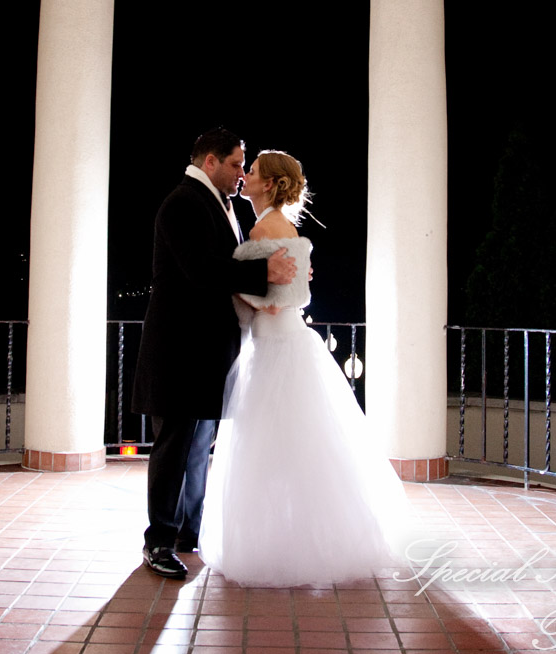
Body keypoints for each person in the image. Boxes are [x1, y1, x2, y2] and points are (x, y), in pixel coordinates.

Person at [200, 150, 409, 587]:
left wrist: (242, 296)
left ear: (270, 185)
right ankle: (311, 542)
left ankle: (274, 547)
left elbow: (270, 300)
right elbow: (297, 294)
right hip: (294, 344)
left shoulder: (261, 230)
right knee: (304, 450)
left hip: (273, 351)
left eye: (252, 172)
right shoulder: (286, 228)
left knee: (269, 455)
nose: (246, 176)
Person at [132, 128, 298, 580]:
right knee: (173, 449)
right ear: (209, 161)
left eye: (246, 167)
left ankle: (188, 533)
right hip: (179, 352)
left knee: (198, 448)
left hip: (207, 353)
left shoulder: (218, 205)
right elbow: (202, 271)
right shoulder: (184, 203)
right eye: (236, 165)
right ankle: (159, 542)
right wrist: (266, 271)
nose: (242, 174)